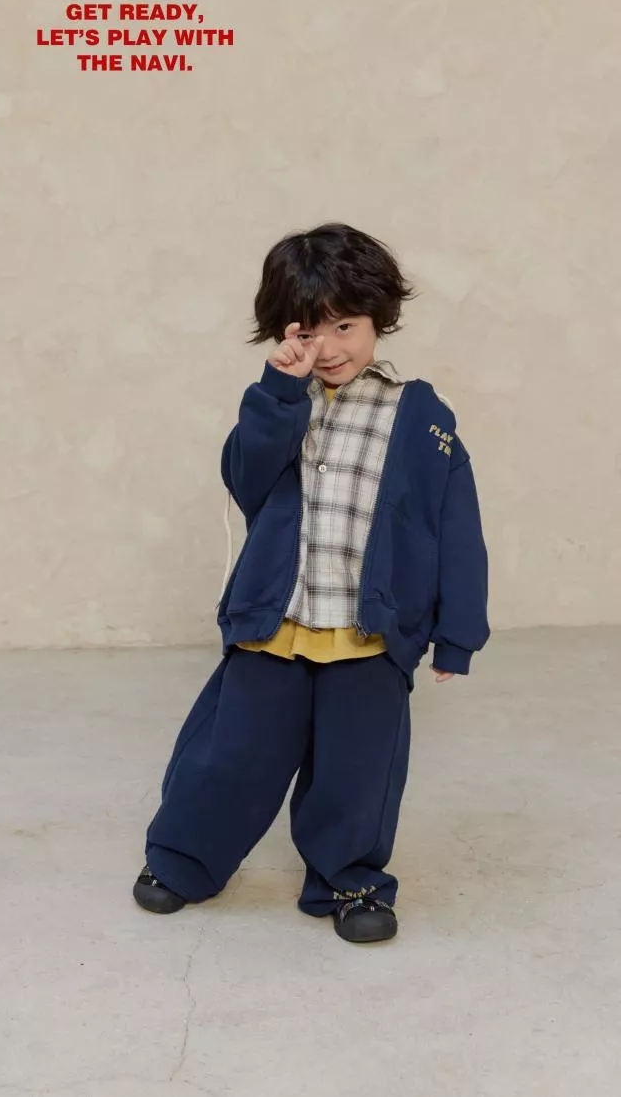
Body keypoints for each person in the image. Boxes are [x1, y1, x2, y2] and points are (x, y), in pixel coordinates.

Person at [133, 223, 490, 943]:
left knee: (357, 775)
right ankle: (183, 860)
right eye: (308, 330)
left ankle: (350, 881)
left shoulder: (420, 415)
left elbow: (455, 526)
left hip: (369, 635)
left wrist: (457, 633)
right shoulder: (279, 401)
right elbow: (245, 479)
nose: (328, 348)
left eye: (345, 327)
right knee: (231, 756)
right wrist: (279, 392)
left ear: (378, 319)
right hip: (277, 622)